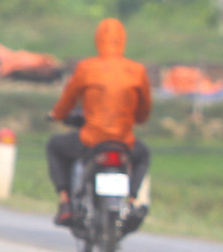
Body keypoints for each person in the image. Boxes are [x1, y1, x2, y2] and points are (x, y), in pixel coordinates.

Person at [46, 17, 152, 231]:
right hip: (124, 142)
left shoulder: (87, 68)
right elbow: (144, 109)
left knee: (55, 146)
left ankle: (65, 201)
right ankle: (131, 200)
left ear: (97, 40)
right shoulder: (137, 70)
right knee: (143, 154)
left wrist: (56, 114)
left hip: (91, 141)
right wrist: (136, 119)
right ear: (123, 40)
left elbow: (68, 99)